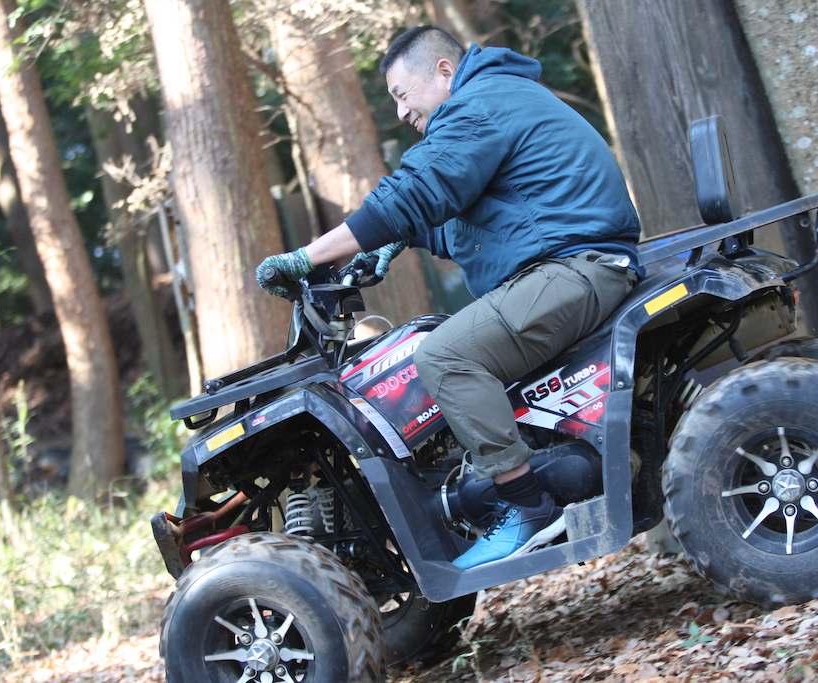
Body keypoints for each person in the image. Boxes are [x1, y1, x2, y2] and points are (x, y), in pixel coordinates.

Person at [257, 26, 641, 569]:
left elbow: (418, 192)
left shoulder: (479, 104)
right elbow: (485, 217)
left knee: (443, 355)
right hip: (569, 261)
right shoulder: (497, 98)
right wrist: (399, 240)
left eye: (401, 93)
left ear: (443, 71)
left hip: (575, 267)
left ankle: (526, 506)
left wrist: (307, 256)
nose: (400, 112)